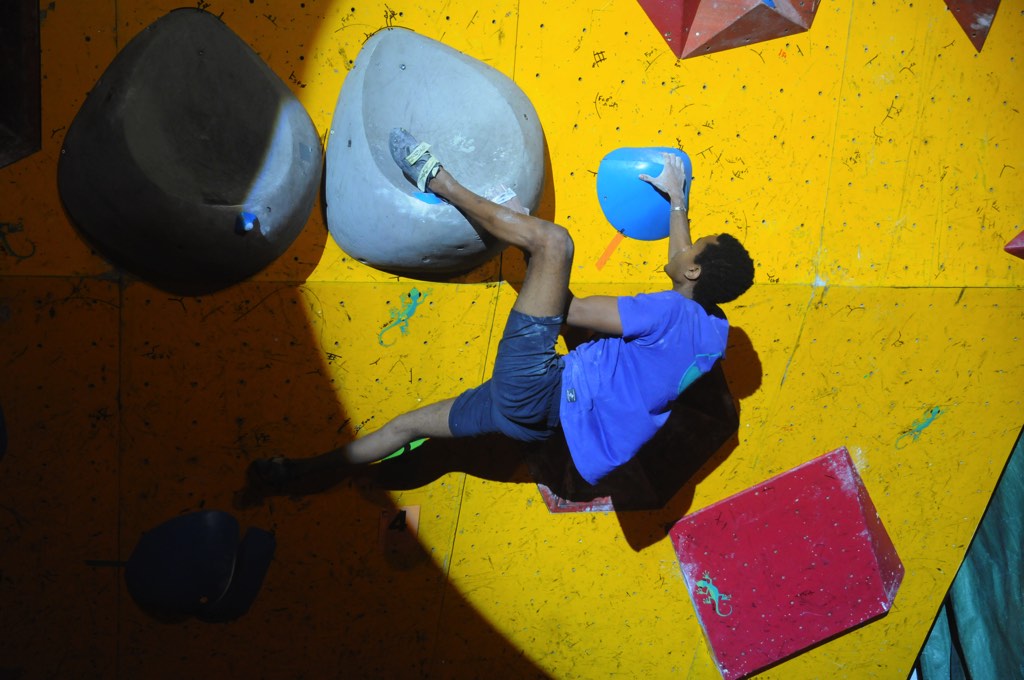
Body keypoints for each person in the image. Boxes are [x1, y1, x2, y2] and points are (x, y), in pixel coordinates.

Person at [251, 129, 754, 489]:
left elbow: (569, 311)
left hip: (539, 385)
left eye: (693, 247)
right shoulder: (713, 331)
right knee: (408, 426)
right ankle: (296, 474)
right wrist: (677, 199)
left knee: (554, 243)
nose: (683, 245)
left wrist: (523, 236)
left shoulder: (666, 313)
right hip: (537, 421)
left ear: (693, 271)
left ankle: (436, 179)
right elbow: (684, 269)